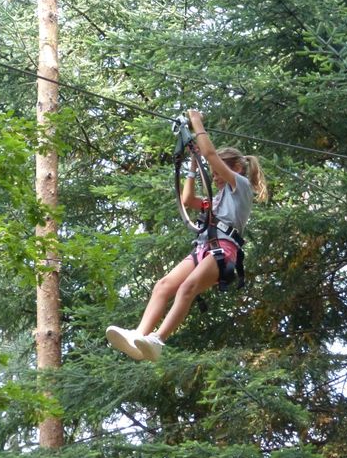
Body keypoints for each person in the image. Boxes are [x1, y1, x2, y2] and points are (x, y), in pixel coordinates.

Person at [106, 109, 267, 361]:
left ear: (235, 168)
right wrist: (193, 166)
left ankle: (158, 339)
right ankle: (139, 334)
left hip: (223, 250)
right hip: (204, 248)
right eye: (212, 174)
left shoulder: (240, 186)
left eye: (217, 172)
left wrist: (197, 123)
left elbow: (211, 155)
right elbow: (188, 199)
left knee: (187, 287)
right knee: (164, 285)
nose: (214, 177)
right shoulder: (216, 199)